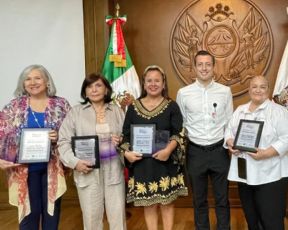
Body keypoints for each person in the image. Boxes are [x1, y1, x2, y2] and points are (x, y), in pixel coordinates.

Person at [0, 64, 71, 229]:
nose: (32, 82)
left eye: (37, 77)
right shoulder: (14, 107)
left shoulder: (61, 105)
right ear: (23, 84)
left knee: (51, 215)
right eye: (28, 79)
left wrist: (59, 136)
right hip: (24, 170)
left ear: (47, 81)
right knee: (28, 216)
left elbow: (73, 133)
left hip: (53, 169)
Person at [120, 65, 188, 230]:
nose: (153, 84)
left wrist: (168, 150)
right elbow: (125, 136)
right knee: (148, 204)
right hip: (142, 164)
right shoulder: (134, 108)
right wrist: (127, 153)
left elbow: (179, 133)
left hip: (166, 162)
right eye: (149, 80)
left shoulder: (172, 106)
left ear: (163, 83)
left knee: (167, 203)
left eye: (157, 80)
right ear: (144, 84)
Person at [225, 76, 288, 230]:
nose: (258, 90)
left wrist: (267, 153)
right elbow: (229, 132)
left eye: (262, 87)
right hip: (244, 174)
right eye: (254, 87)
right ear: (249, 90)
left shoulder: (279, 112)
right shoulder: (240, 110)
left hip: (271, 175)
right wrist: (230, 142)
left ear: (268, 90)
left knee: (271, 221)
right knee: (252, 219)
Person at [58, 73, 126, 230]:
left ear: (106, 90)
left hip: (113, 171)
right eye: (89, 86)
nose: (94, 90)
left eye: (98, 85)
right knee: (91, 219)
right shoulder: (76, 112)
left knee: (118, 219)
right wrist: (75, 163)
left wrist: (121, 140)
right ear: (85, 92)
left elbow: (127, 137)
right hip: (86, 172)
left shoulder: (116, 111)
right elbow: (63, 142)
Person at [176, 50, 233, 230]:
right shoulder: (183, 93)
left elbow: (230, 122)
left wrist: (230, 143)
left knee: (222, 199)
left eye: (208, 64)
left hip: (219, 151)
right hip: (195, 152)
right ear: (194, 67)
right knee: (199, 199)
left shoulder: (225, 91)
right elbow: (182, 123)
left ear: (214, 67)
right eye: (200, 64)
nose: (204, 68)